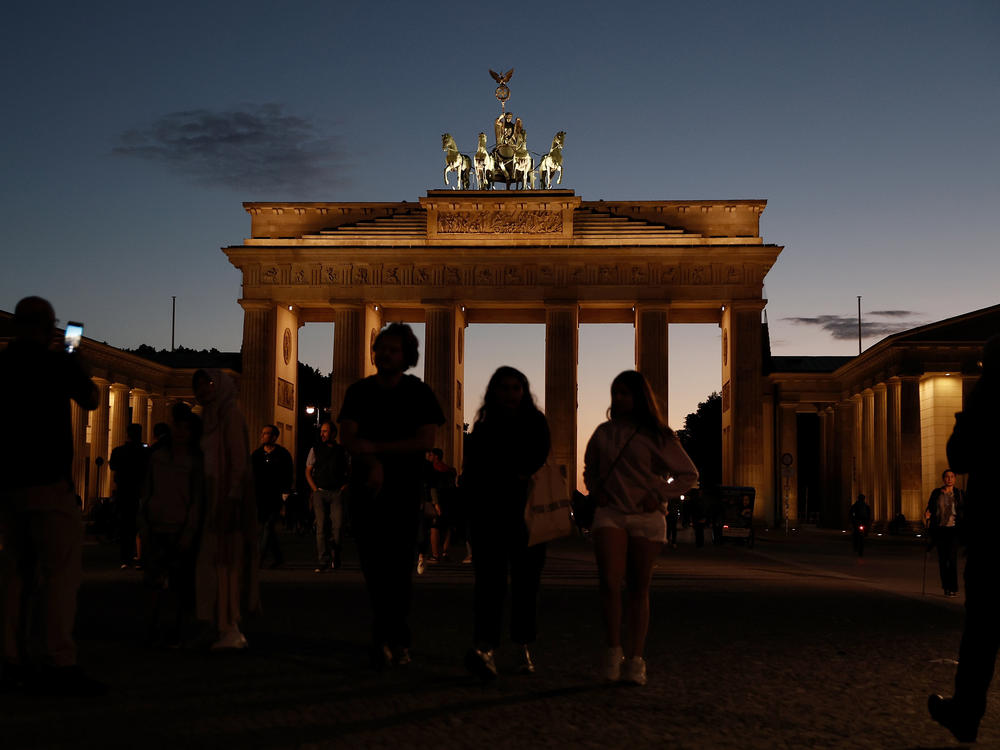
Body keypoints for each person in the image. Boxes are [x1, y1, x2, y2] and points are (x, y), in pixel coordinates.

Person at [0, 296, 104, 695]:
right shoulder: (57, 362)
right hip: (48, 482)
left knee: (14, 575)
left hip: (9, 485)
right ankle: (58, 659)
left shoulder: (2, 365)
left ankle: (9, 656)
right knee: (59, 575)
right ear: (48, 326)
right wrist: (76, 360)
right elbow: (92, 400)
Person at [337, 323, 444, 668]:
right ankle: (393, 637)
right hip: (366, 488)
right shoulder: (358, 391)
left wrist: (377, 450)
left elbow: (426, 441)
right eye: (381, 348)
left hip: (403, 490)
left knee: (397, 568)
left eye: (393, 349)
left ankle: (390, 637)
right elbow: (348, 438)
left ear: (407, 355)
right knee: (374, 567)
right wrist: (373, 461)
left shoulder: (420, 393)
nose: (385, 354)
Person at [584, 370, 698, 686]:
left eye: (625, 393)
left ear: (639, 397)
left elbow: (689, 474)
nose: (618, 398)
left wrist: (659, 493)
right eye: (615, 392)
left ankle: (635, 658)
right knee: (609, 582)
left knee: (638, 588)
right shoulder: (603, 433)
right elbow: (590, 469)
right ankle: (612, 650)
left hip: (646, 517)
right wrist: (595, 490)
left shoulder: (659, 435)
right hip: (611, 513)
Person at [928, 335, 1000, 743]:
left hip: (995, 534)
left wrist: (971, 408)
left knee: (983, 631)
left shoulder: (991, 392)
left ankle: (966, 713)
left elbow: (961, 454)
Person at [461, 367, 551, 680]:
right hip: (489, 514)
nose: (511, 394)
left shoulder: (534, 423)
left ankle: (521, 644)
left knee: (527, 584)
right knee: (489, 584)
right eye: (505, 388)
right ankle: (486, 646)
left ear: (524, 391)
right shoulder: (485, 426)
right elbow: (476, 470)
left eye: (516, 388)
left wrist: (501, 469)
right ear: (494, 392)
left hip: (525, 513)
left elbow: (535, 459)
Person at [192, 369, 259, 650]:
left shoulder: (230, 415)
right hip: (207, 495)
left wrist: (231, 497)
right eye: (197, 384)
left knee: (223, 563)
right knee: (212, 564)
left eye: (208, 383)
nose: (202, 389)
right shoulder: (207, 417)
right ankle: (216, 624)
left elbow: (239, 461)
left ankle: (228, 626)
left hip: (224, 497)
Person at [138, 403, 203, 646]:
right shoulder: (157, 457)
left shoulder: (194, 462)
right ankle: (153, 627)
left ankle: (174, 628)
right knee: (154, 582)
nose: (179, 432)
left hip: (179, 527)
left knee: (178, 584)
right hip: (157, 525)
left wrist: (190, 530)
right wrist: (143, 523)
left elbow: (196, 499)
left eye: (185, 428)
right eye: (177, 427)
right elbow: (147, 491)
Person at [305, 421, 350, 572]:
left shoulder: (342, 450)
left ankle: (336, 555)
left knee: (337, 526)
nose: (322, 434)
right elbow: (308, 470)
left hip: (337, 492)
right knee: (321, 526)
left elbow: (350, 469)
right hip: (320, 491)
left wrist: (344, 487)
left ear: (333, 433)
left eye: (325, 431)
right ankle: (323, 559)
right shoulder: (315, 449)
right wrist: (315, 489)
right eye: (322, 431)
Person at [251, 424, 293, 570]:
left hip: (276, 496)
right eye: (262, 433)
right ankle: (279, 558)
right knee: (264, 528)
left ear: (274, 437)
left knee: (268, 526)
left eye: (267, 433)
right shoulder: (256, 455)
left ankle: (258, 559)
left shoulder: (283, 454)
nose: (263, 436)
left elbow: (288, 475)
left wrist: (285, 496)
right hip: (260, 496)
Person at [109, 423, 149, 569]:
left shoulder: (119, 451)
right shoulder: (145, 452)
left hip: (124, 492)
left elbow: (113, 466)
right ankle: (139, 556)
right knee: (140, 526)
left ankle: (126, 557)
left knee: (126, 526)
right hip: (139, 492)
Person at [924, 469, 964, 596]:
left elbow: (964, 510)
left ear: (955, 479)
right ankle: (946, 586)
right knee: (942, 560)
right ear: (943, 479)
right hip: (940, 530)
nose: (949, 479)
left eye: (952, 476)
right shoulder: (936, 493)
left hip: (954, 530)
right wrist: (927, 514)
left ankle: (953, 587)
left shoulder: (959, 493)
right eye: (947, 477)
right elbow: (930, 507)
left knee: (952, 560)